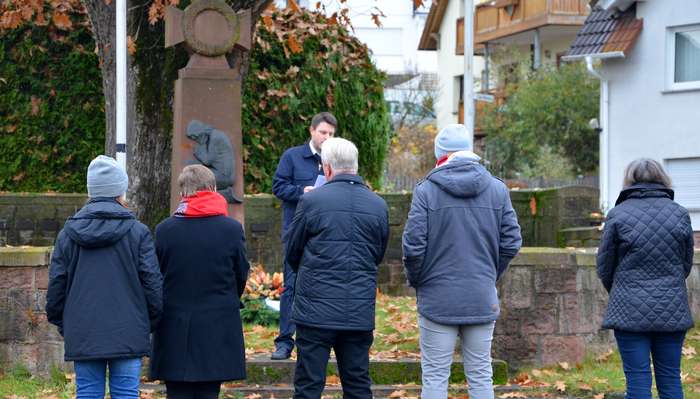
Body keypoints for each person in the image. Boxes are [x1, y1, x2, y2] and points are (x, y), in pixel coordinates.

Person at [402, 124, 522, 399]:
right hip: (480, 294)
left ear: (441, 154)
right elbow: (512, 241)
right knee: (481, 374)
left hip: (436, 297)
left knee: (434, 376)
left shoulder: (426, 190)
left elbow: (413, 247)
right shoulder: (497, 189)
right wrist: (490, 274)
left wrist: (419, 280)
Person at [46, 155, 163, 399]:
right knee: (126, 394)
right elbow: (152, 283)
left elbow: (57, 284)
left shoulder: (68, 234)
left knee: (87, 394)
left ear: (91, 190)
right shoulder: (138, 232)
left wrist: (63, 322)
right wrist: (148, 322)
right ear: (120, 190)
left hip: (84, 329)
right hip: (129, 328)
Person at [285, 137, 389, 399]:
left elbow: (292, 250)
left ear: (327, 168)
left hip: (314, 308)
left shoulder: (312, 201)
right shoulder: (378, 205)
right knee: (357, 383)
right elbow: (378, 253)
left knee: (309, 384)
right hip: (358, 308)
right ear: (355, 166)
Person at [597, 158, 695, 399]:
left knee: (638, 383)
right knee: (671, 380)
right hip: (672, 309)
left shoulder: (618, 215)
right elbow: (685, 263)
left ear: (629, 180)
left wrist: (622, 290)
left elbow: (605, 266)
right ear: (663, 179)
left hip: (629, 310)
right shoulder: (680, 214)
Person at [150, 165, 250, 399]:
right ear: (213, 189)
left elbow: (157, 274)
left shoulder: (165, 230)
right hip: (217, 319)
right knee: (209, 391)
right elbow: (240, 273)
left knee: (175, 391)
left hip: (174, 321)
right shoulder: (231, 229)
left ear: (183, 193)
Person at [270, 112, 337, 360]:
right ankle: (285, 342)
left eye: (331, 133)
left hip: (326, 234)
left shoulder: (337, 159)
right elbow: (278, 186)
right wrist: (302, 192)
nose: (327, 137)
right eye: (323, 132)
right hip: (296, 233)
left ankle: (318, 343)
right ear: (311, 131)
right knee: (292, 287)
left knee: (325, 287)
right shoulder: (293, 157)